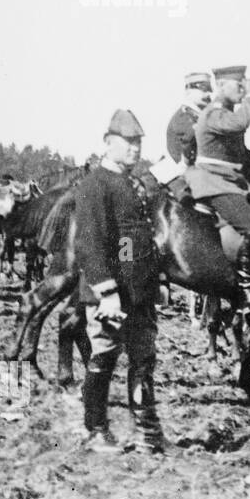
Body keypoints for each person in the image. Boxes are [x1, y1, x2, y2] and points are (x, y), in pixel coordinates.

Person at [74, 109, 164, 454]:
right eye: (128, 143)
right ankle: (95, 430)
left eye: (139, 143)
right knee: (106, 356)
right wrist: (108, 292)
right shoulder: (95, 184)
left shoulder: (131, 183)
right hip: (109, 297)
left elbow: (130, 242)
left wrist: (152, 279)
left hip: (138, 294)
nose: (135, 149)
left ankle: (147, 435)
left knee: (143, 359)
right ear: (108, 143)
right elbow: (90, 244)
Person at [187, 65, 250, 311]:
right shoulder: (214, 113)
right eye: (238, 85)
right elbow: (239, 124)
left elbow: (243, 157)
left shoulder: (225, 113)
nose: (241, 90)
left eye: (243, 85)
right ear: (221, 86)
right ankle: (246, 290)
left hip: (231, 182)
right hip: (212, 182)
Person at [162, 72, 212, 197]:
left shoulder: (199, 116)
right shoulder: (184, 117)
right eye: (202, 90)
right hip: (187, 176)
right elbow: (189, 148)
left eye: (209, 90)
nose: (208, 94)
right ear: (188, 90)